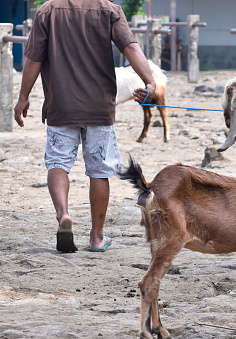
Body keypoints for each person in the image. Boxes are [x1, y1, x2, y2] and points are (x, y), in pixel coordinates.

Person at [13, 0, 156, 253]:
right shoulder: (110, 10)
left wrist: (23, 97)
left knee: (58, 163)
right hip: (98, 107)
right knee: (99, 171)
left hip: (61, 105)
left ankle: (64, 215)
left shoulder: (47, 11)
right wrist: (149, 82)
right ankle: (97, 237)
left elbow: (34, 59)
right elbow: (130, 47)